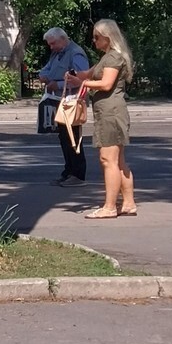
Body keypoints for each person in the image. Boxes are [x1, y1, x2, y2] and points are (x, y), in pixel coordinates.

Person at [66, 19, 136, 219]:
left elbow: (106, 84)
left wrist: (85, 83)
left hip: (110, 113)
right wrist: (75, 77)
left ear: (108, 37)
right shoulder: (107, 57)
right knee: (119, 161)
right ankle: (128, 204)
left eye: (97, 37)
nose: (94, 40)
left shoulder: (113, 58)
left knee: (108, 160)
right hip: (110, 112)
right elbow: (86, 74)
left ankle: (110, 207)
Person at [38, 27, 91, 187]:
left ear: (63, 39)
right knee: (64, 137)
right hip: (60, 100)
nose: (51, 47)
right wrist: (44, 76)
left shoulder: (75, 53)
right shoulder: (57, 52)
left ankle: (78, 174)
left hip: (73, 102)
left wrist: (58, 84)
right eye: (49, 44)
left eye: (53, 43)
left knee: (73, 138)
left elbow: (82, 79)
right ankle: (68, 172)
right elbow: (47, 69)